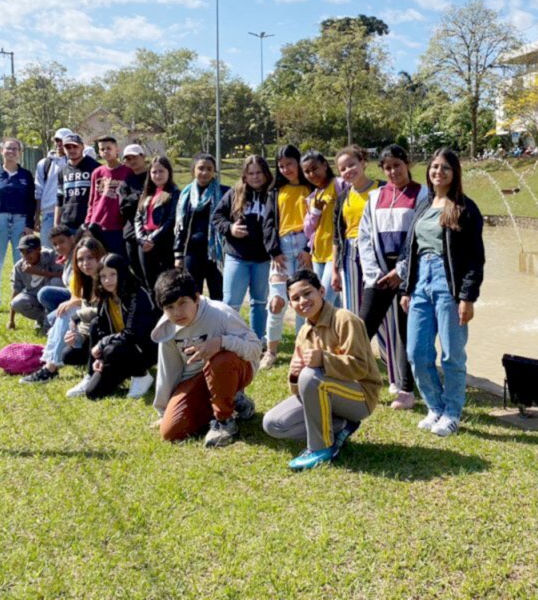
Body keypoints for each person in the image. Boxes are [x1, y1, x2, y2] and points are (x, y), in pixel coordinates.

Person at [400, 148, 485, 438]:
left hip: (448, 286)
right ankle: (434, 406)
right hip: (420, 283)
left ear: (455, 173)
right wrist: (406, 288)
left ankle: (452, 412)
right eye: (435, 167)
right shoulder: (424, 205)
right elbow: (410, 250)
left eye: (445, 168)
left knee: (452, 355)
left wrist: (467, 297)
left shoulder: (465, 208)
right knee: (416, 351)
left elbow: (475, 258)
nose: (439, 172)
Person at [263, 269, 381, 470]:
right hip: (325, 392)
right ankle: (341, 426)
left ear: (322, 291)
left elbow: (361, 368)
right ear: (290, 304)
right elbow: (300, 389)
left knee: (311, 376)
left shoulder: (344, 319)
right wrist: (294, 374)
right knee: (273, 424)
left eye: (308, 293)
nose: (303, 301)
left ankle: (321, 448)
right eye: (295, 298)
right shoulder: (304, 332)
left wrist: (324, 360)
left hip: (360, 397)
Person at [151, 268, 262, 447]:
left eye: (182, 303)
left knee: (220, 361)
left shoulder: (220, 314)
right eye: (170, 307)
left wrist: (221, 342)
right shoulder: (167, 328)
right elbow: (168, 371)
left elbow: (255, 349)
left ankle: (224, 422)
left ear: (196, 298)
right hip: (197, 379)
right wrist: (163, 413)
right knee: (171, 431)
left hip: (233, 369)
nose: (177, 312)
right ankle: (232, 401)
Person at [357, 144, 427, 410]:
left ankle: (407, 390)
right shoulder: (375, 197)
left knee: (407, 331)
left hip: (409, 274)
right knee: (363, 329)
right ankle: (358, 380)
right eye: (387, 167)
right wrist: (374, 273)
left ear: (407, 163)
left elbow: (422, 237)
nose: (393, 171)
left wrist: (402, 271)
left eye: (397, 165)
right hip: (379, 274)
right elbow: (364, 236)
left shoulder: (422, 195)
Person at [21, 236, 107, 386]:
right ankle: (49, 362)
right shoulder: (85, 279)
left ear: (100, 256)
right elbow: (81, 300)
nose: (85, 263)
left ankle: (50, 367)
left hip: (107, 333)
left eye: (90, 258)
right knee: (60, 316)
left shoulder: (108, 277)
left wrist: (75, 315)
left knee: (66, 313)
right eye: (80, 260)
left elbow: (104, 309)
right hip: (89, 330)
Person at [211, 155, 275, 347]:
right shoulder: (235, 192)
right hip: (237, 255)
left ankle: (256, 339)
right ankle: (228, 336)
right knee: (231, 301)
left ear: (266, 174)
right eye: (251, 173)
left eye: (259, 173)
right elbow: (217, 217)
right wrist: (230, 228)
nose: (255, 177)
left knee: (259, 301)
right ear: (245, 176)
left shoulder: (273, 194)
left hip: (262, 257)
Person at [81, 254, 159, 400]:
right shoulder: (105, 296)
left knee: (112, 349)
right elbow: (102, 329)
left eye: (112, 274)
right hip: (116, 352)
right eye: (103, 276)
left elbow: (132, 334)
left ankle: (141, 375)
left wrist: (102, 344)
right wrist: (100, 359)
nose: (107, 280)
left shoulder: (137, 294)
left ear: (122, 273)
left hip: (142, 351)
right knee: (92, 392)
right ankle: (90, 375)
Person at [263, 144, 313, 370]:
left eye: (289, 164)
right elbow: (268, 222)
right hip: (281, 250)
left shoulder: (310, 186)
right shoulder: (275, 191)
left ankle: (302, 351)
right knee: (276, 302)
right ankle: (271, 351)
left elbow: (320, 221)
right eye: (281, 166)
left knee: (304, 303)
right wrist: (274, 250)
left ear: (298, 162)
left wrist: (310, 249)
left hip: (304, 246)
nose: (285, 169)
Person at [0, 137, 37, 317]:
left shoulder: (26, 175)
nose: (11, 152)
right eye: (8, 149)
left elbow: (31, 202)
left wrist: (29, 225)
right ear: (1, 151)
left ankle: (22, 299)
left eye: (15, 149)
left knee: (21, 263)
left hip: (21, 222)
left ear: (20, 153)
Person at [330, 145, 382, 315]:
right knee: (351, 309)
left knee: (379, 306)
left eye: (351, 165)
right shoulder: (343, 197)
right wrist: (335, 270)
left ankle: (388, 343)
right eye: (342, 169)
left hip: (376, 251)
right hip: (350, 253)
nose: (348, 171)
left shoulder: (382, 190)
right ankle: (354, 341)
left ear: (363, 162)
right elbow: (337, 236)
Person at [174, 153, 224, 301]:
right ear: (193, 170)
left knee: (218, 294)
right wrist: (178, 254)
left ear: (214, 171)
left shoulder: (224, 192)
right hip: (192, 252)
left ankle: (217, 324)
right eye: (201, 168)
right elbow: (180, 226)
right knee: (193, 294)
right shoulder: (185, 195)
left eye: (209, 169)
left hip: (215, 253)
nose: (205, 172)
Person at [300, 150, 342, 308]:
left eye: (314, 168)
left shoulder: (339, 185)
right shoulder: (313, 196)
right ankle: (335, 332)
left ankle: (318, 332)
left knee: (323, 300)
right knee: (334, 304)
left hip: (335, 252)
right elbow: (308, 230)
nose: (312, 174)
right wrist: (315, 212)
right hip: (318, 255)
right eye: (307, 171)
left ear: (324, 165)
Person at [134, 156, 180, 291]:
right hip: (144, 242)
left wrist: (152, 238)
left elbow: (171, 220)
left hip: (163, 241)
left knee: (166, 282)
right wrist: (141, 239)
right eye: (154, 172)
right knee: (149, 280)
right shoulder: (147, 193)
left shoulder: (174, 193)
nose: (157, 175)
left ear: (169, 172)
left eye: (161, 171)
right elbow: (138, 217)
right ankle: (153, 310)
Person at [83, 135, 130, 257]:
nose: (105, 151)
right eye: (102, 149)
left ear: (117, 150)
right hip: (97, 225)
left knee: (116, 261)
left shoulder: (127, 171)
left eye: (109, 148)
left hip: (117, 226)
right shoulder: (97, 172)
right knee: (98, 262)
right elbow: (92, 200)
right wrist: (88, 223)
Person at [6, 234, 63, 331]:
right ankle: (44, 320)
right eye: (22, 252)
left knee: (56, 282)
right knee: (16, 302)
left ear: (39, 249)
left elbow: (65, 276)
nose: (25, 256)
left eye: (29, 252)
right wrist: (11, 320)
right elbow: (16, 291)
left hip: (51, 297)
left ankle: (57, 318)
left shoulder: (51, 256)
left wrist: (38, 272)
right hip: (34, 297)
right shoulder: (19, 267)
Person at [54, 133, 100, 233]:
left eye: (75, 146)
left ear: (82, 147)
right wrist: (56, 225)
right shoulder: (62, 171)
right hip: (67, 224)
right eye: (68, 147)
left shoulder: (95, 168)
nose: (72, 150)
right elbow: (59, 199)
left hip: (89, 223)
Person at [34, 129, 71, 249]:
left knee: (71, 251)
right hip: (49, 214)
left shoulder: (75, 162)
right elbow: (38, 191)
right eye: (57, 140)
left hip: (70, 213)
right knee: (48, 251)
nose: (60, 143)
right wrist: (37, 216)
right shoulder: (44, 164)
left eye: (64, 141)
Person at [118, 144, 149, 284]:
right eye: (128, 158)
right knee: (137, 273)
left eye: (134, 157)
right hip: (131, 233)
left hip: (151, 233)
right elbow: (124, 208)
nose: (131, 161)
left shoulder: (154, 177)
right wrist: (141, 196)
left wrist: (135, 198)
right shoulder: (126, 183)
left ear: (143, 157)